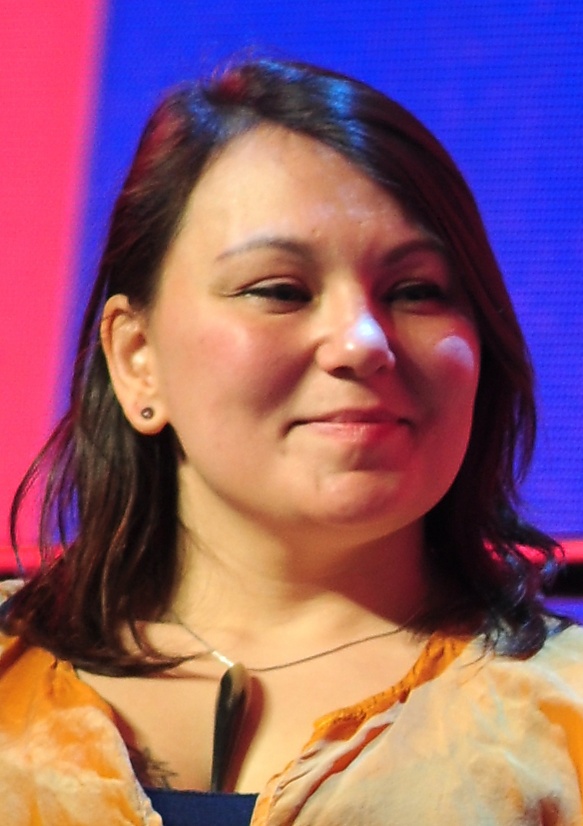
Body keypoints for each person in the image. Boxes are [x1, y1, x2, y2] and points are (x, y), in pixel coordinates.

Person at [0, 57, 581, 826]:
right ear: (137, 358)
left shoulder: (563, 718)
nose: (363, 342)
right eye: (279, 290)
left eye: (416, 292)